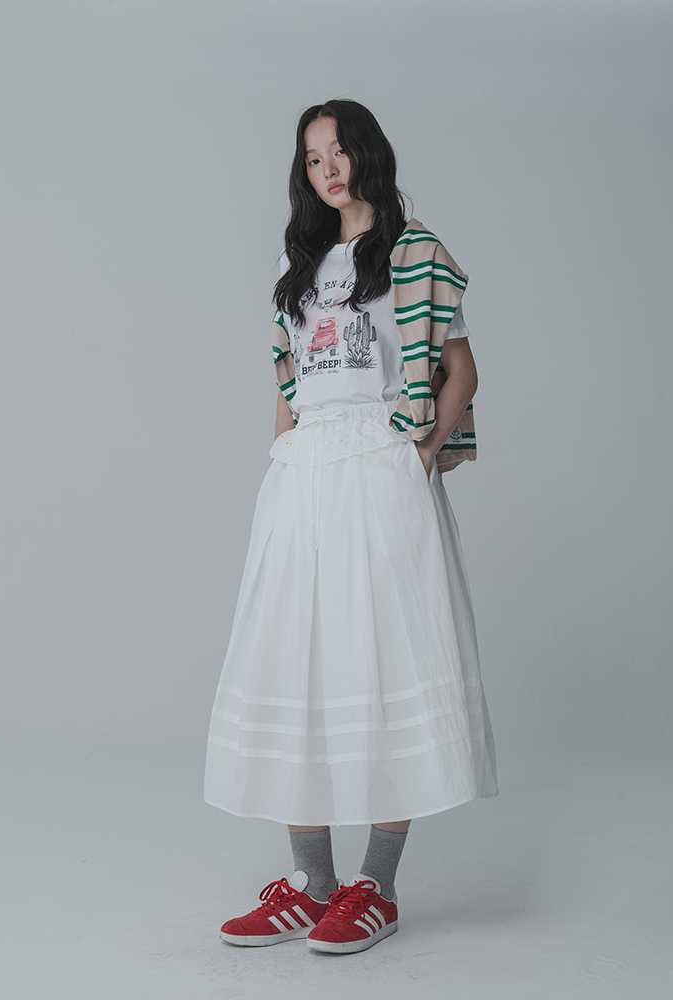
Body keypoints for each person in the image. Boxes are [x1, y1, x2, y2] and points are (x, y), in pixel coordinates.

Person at [203, 98, 498, 955]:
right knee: (296, 659)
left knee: (386, 655)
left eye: (339, 151)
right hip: (305, 474)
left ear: (368, 154)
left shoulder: (415, 254)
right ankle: (311, 884)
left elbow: (461, 371)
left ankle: (377, 885)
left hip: (379, 463)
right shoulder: (297, 264)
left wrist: (420, 453)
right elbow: (292, 380)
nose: (327, 169)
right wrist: (284, 451)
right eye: (312, 158)